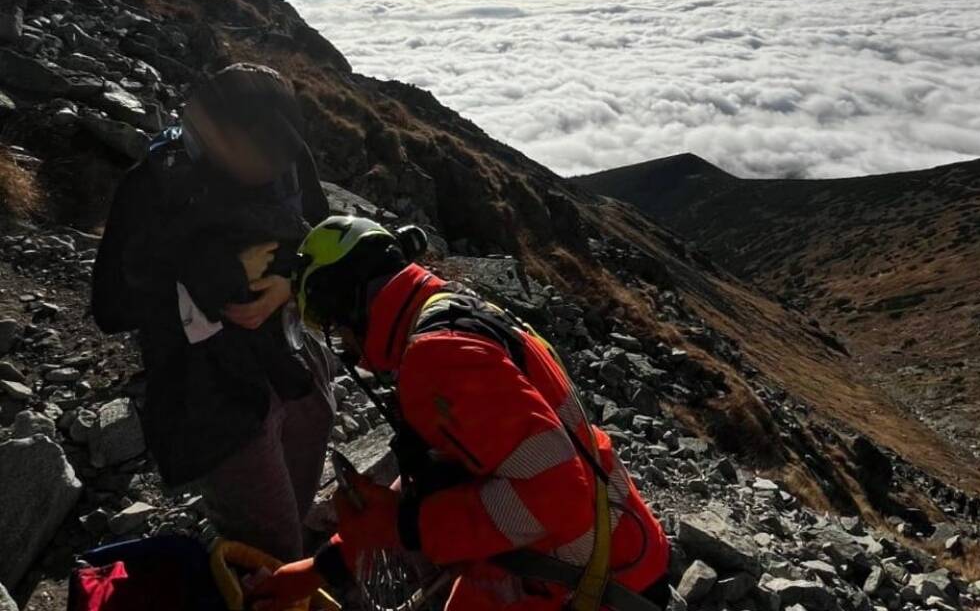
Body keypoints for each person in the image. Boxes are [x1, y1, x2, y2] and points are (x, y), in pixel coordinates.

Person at [251, 217, 671, 611]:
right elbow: (465, 467)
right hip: (609, 553)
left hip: (584, 586)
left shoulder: (438, 358)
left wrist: (406, 528)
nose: (349, 351)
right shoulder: (458, 311)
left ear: (345, 304)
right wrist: (324, 567)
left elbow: (556, 496)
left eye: (334, 329)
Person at [91, 63, 336, 562]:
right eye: (256, 160)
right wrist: (220, 278)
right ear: (214, 137)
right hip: (211, 392)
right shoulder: (155, 187)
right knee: (271, 548)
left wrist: (288, 287)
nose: (269, 172)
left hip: (290, 363)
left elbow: (319, 232)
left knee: (296, 489)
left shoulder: (286, 156)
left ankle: (280, 555)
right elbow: (111, 307)